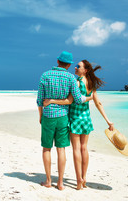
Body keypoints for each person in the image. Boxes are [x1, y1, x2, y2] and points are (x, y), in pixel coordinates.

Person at [43, 60, 114, 190]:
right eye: (75, 66)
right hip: (86, 119)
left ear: (85, 70)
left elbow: (70, 101)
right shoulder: (91, 84)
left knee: (76, 149)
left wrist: (51, 101)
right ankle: (84, 177)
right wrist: (108, 120)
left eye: (78, 66)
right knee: (84, 148)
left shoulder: (76, 82)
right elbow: (98, 104)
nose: (75, 68)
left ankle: (79, 181)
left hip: (75, 118)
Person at [37, 51, 92, 190]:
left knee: (46, 148)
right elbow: (78, 99)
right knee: (61, 149)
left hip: (48, 115)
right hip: (63, 117)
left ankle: (49, 181)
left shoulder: (45, 75)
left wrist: (40, 115)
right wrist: (91, 97)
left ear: (57, 61)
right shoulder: (70, 78)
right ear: (68, 65)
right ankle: (60, 183)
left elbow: (39, 100)